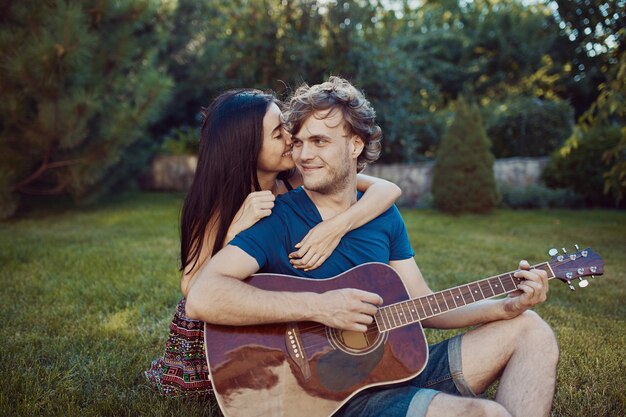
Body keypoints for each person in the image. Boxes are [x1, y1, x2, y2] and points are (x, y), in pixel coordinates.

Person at [185, 77, 559, 417]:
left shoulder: (383, 216)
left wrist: (505, 306)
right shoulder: (274, 216)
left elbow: (424, 304)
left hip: (394, 369)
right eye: (298, 142)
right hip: (328, 398)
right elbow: (202, 295)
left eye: (320, 141)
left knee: (531, 328)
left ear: (355, 145)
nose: (303, 154)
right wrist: (320, 306)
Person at [145, 88, 402, 397]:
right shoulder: (218, 204)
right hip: (222, 326)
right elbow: (192, 287)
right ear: (248, 147)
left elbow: (387, 190)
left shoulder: (293, 178)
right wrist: (235, 231)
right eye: (278, 133)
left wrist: (336, 226)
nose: (291, 138)